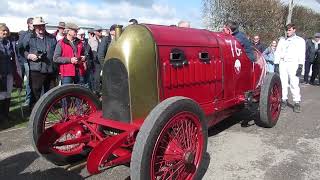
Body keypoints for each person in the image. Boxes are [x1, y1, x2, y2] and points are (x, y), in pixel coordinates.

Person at [23, 17, 57, 107]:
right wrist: (29, 55)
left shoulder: (52, 38)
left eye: (42, 26)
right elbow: (22, 50)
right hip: (36, 68)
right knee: (35, 90)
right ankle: (34, 109)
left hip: (49, 68)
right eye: (38, 26)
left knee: (51, 90)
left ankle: (49, 108)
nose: (41, 28)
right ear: (34, 27)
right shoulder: (29, 38)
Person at [274, 23, 305, 113]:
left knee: (294, 83)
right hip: (283, 63)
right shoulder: (282, 40)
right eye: (287, 30)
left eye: (290, 30)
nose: (288, 32)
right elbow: (278, 52)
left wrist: (300, 66)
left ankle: (296, 102)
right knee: (283, 83)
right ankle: (284, 99)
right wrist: (276, 64)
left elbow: (302, 54)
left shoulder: (300, 40)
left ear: (294, 30)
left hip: (293, 63)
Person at [0, 24, 22, 122]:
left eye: (6, 31)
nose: (5, 32)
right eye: (3, 31)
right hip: (1, 73)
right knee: (1, 94)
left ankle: (6, 114)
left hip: (9, 71)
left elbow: (14, 58)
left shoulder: (9, 43)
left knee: (8, 93)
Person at [17, 17, 33, 107]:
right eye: (32, 23)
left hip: (35, 61)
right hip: (26, 60)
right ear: (28, 24)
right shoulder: (25, 34)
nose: (33, 25)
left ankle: (32, 99)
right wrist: (26, 55)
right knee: (29, 81)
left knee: (33, 81)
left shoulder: (36, 33)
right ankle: (28, 99)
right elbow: (20, 47)